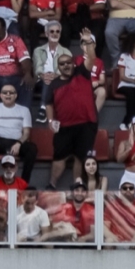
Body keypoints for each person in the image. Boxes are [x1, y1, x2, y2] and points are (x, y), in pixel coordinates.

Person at [45, 33, 100, 188]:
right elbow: (49, 104)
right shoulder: (53, 84)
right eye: (62, 64)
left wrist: (88, 41)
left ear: (73, 63)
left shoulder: (82, 72)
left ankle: (78, 185)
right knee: (59, 157)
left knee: (80, 157)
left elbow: (92, 58)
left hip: (87, 123)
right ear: (58, 67)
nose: (66, 66)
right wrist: (50, 120)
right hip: (64, 126)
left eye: (68, 63)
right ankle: (52, 184)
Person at [0, 83, 36, 182]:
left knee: (32, 148)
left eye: (11, 93)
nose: (8, 95)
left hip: (15, 143)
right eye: (5, 93)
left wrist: (19, 143)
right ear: (0, 95)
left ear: (15, 95)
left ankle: (24, 182)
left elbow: (26, 133)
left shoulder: (24, 110)